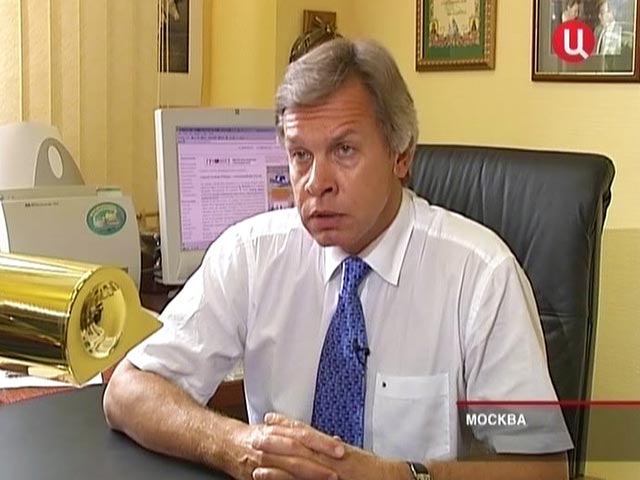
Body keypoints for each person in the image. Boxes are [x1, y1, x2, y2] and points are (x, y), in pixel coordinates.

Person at [104, 38, 573, 480]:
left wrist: (396, 475)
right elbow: (127, 390)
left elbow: (545, 470)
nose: (316, 183)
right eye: (300, 155)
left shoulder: (481, 276)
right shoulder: (251, 254)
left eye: (344, 150)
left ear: (401, 155)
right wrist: (236, 445)